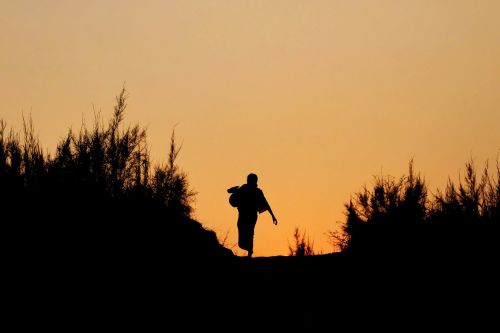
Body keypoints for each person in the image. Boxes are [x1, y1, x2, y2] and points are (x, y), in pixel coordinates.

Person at [228, 173, 278, 257]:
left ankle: (249, 251)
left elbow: (266, 204)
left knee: (249, 232)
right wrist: (233, 190)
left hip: (248, 215)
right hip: (246, 215)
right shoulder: (246, 189)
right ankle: (249, 249)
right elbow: (231, 193)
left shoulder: (255, 191)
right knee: (246, 232)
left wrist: (273, 216)